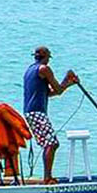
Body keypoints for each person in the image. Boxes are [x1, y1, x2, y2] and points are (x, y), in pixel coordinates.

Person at [23, 46, 78, 184]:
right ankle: (47, 178)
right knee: (51, 144)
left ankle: (48, 177)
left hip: (31, 111)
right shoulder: (44, 69)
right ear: (46, 57)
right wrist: (68, 80)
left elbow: (48, 93)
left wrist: (68, 83)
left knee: (50, 144)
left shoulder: (30, 70)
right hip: (36, 112)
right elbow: (58, 90)